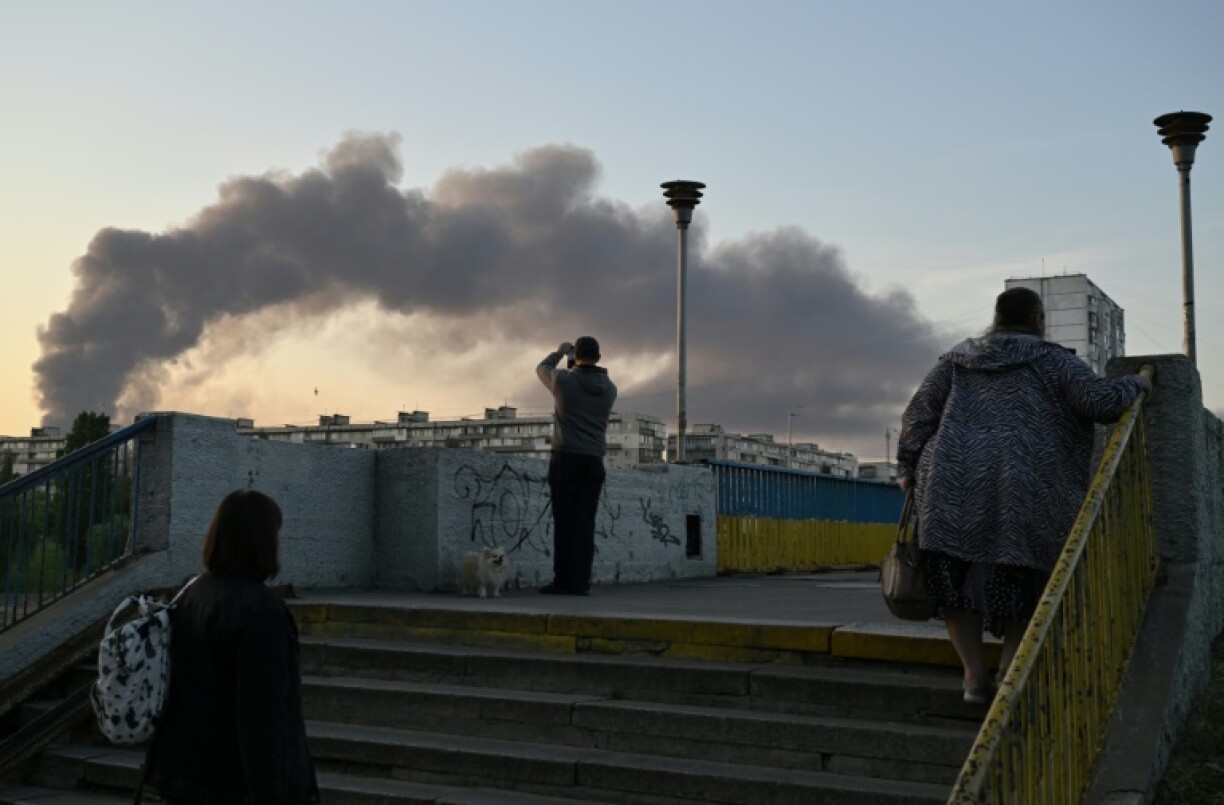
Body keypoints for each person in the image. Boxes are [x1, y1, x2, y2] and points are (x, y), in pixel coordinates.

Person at [896, 287, 1149, 704]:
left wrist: (908, 468)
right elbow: (1099, 401)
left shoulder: (956, 361)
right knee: (1022, 584)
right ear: (1037, 319)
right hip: (1024, 487)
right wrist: (1137, 383)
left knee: (953, 583)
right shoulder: (1054, 360)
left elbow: (917, 414)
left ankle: (974, 678)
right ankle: (1010, 684)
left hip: (951, 483)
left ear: (995, 318)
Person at [144, 490, 320, 804]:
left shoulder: (192, 593)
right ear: (262, 543)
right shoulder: (261, 613)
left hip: (185, 774)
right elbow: (263, 717)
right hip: (232, 783)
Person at [536, 336, 617, 595]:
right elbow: (591, 381)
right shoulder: (611, 388)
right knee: (585, 523)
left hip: (566, 457)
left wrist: (559, 352)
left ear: (575, 356)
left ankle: (562, 581)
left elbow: (541, 368)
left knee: (564, 521)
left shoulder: (563, 380)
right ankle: (580, 583)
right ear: (600, 358)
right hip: (594, 461)